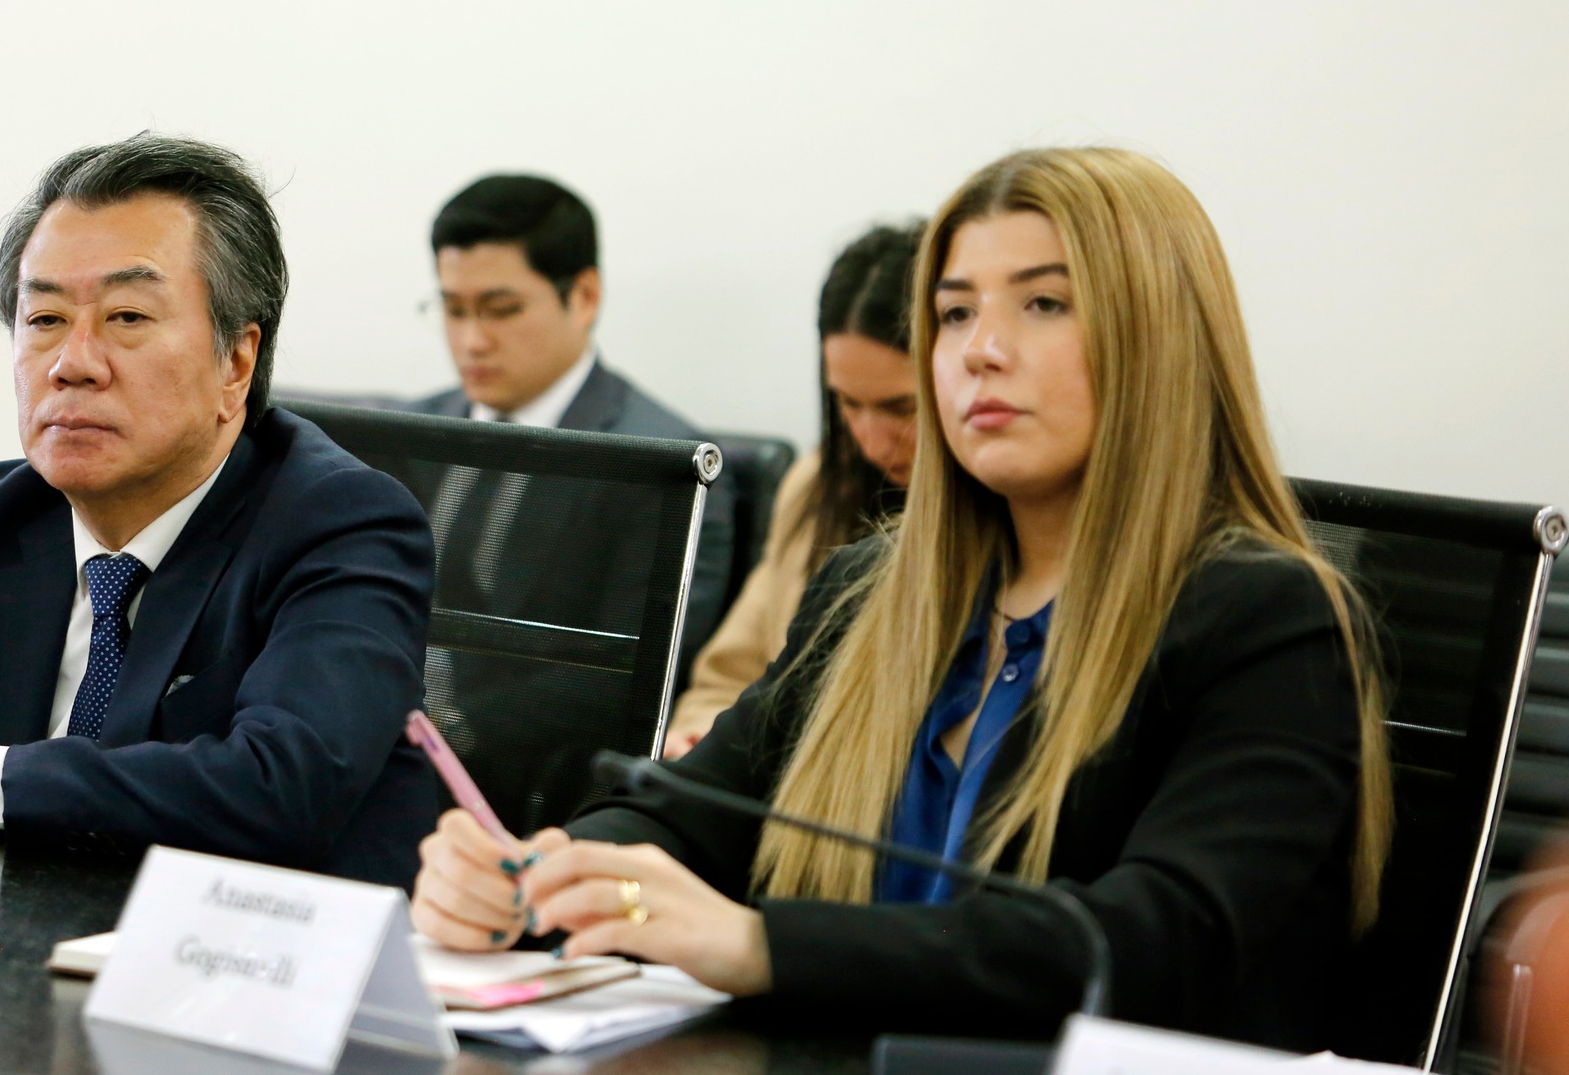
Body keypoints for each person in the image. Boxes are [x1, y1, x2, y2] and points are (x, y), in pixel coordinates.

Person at [410, 147, 1394, 1048]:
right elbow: (688, 811)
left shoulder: (1265, 617)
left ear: (1158, 337)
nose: (980, 349)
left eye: (1043, 303)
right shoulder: (868, 591)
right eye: (955, 312)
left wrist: (758, 944)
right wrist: (544, 876)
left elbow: (1154, 942)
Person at [0, 133, 438, 890]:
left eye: (127, 317)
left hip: (242, 950)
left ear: (236, 363)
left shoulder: (342, 525)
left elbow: (278, 786)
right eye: (44, 319)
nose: (71, 363)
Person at [404, 174, 736, 674]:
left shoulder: (662, 468)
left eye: (501, 310)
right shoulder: (412, 433)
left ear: (584, 297)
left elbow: (624, 681)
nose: (472, 341)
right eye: (453, 310)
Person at [664, 222, 924, 758]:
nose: (871, 439)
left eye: (901, 408)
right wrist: (698, 736)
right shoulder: (816, 484)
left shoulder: (1008, 508)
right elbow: (728, 676)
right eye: (848, 403)